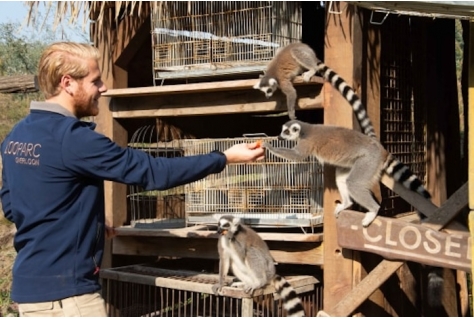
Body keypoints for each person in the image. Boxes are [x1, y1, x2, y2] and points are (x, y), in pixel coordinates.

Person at [0, 42, 264, 317]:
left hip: (31, 295)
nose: (103, 87)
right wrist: (223, 158)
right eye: (95, 80)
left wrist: (87, 226)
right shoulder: (75, 139)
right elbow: (153, 172)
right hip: (69, 299)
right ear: (68, 83)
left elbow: (14, 205)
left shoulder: (17, 136)